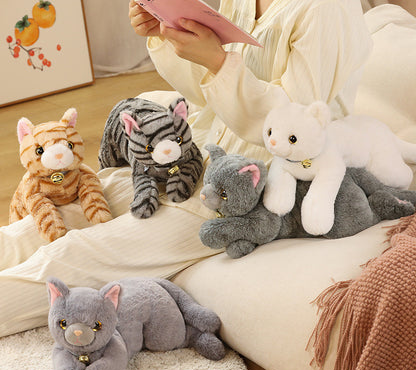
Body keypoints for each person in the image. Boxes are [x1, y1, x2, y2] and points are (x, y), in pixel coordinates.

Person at [0, 0, 372, 337]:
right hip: (193, 149)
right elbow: (206, 90)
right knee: (39, 227)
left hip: (249, 184)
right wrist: (168, 35)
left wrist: (218, 61)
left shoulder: (327, 9)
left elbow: (295, 133)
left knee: (72, 255)